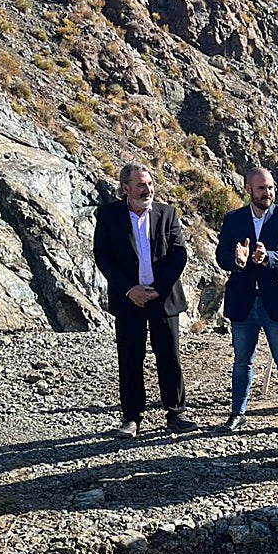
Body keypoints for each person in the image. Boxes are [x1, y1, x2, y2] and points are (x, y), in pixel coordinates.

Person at [92, 162, 198, 439]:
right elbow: (103, 256)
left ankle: (176, 413)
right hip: (129, 299)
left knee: (169, 355)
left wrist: (156, 288)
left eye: (150, 184)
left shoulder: (167, 213)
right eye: (141, 185)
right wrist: (130, 289)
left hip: (162, 298)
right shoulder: (108, 216)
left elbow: (178, 254)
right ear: (125, 188)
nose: (147, 189)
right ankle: (131, 418)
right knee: (130, 357)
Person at [215, 166, 278, 435]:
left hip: (275, 300)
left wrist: (269, 258)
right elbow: (221, 256)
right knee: (242, 361)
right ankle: (238, 414)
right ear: (248, 190)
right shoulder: (234, 219)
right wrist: (237, 260)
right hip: (243, 301)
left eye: (271, 188)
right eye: (262, 188)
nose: (268, 193)